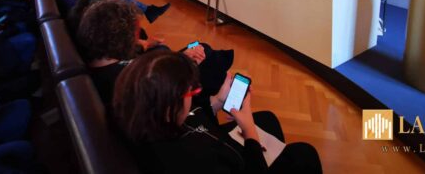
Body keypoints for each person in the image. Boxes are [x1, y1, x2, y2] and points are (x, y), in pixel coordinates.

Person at [113, 50, 322, 174]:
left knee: (267, 118)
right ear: (169, 108)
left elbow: (194, 117)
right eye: (192, 92)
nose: (194, 96)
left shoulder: (145, 114)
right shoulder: (194, 162)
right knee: (305, 153)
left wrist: (217, 102)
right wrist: (250, 132)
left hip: (218, 142)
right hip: (240, 161)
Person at [76, 0, 233, 104]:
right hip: (181, 91)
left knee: (201, 48)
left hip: (168, 73)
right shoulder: (129, 81)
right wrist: (185, 63)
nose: (138, 38)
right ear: (124, 39)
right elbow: (169, 88)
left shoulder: (101, 62)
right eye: (136, 33)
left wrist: (181, 57)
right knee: (208, 57)